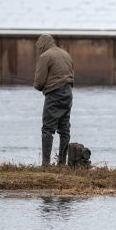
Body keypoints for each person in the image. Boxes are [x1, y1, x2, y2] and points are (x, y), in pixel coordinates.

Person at [33, 33, 74, 167]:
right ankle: (61, 163)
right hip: (68, 93)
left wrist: (37, 86)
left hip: (54, 95)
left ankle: (45, 164)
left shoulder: (45, 56)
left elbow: (39, 82)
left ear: (42, 44)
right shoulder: (66, 54)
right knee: (64, 128)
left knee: (47, 129)